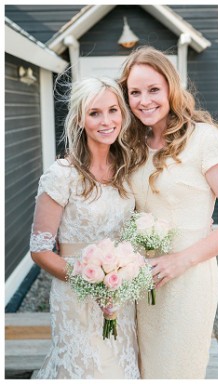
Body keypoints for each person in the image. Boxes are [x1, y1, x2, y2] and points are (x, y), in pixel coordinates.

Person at [119, 46, 218, 378]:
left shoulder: (204, 139)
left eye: (153, 89)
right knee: (144, 368)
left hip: (188, 279)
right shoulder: (131, 144)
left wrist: (181, 260)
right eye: (134, 92)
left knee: (177, 369)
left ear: (171, 89)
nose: (144, 100)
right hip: (141, 279)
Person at [30, 77, 140, 379]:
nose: (107, 121)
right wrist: (91, 283)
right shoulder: (61, 174)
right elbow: (39, 250)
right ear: (80, 118)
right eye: (95, 113)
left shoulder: (128, 169)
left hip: (121, 294)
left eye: (113, 110)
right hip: (76, 296)